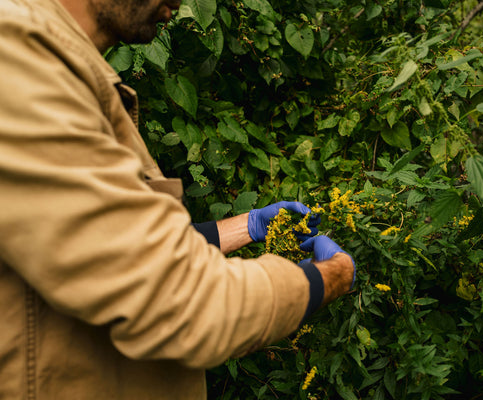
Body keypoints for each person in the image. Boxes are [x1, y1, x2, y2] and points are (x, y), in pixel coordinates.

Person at [0, 0, 355, 398]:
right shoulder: (16, 55)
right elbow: (187, 302)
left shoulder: (63, 66)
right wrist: (329, 276)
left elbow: (117, 248)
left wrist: (247, 225)